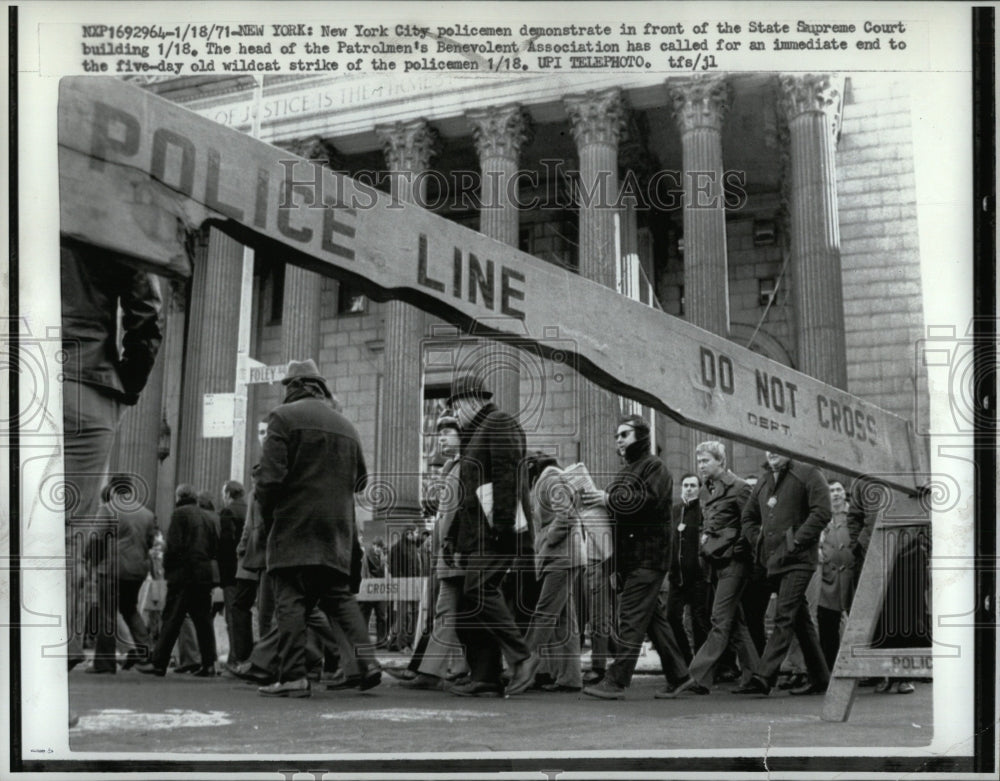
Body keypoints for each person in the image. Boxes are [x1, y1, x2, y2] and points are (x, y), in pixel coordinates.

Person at [60, 240, 163, 682]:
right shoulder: (113, 210)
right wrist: (127, 386)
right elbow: (146, 315)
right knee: (60, 533)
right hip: (85, 379)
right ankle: (46, 668)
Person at [254, 358, 380, 698]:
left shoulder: (283, 418)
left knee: (290, 599)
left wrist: (267, 520)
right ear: (319, 385)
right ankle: (366, 663)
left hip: (294, 525)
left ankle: (293, 676)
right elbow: (362, 481)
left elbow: (269, 480)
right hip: (336, 530)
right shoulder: (347, 426)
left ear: (294, 386)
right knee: (339, 598)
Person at [581, 414, 690, 700]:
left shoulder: (655, 467)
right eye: (617, 435)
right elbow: (620, 519)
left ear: (641, 436)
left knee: (630, 616)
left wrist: (607, 499)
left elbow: (647, 501)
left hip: (649, 557)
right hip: (635, 558)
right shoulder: (628, 470)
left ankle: (616, 680)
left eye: (624, 434)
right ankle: (680, 676)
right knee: (653, 619)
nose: (618, 440)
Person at [444, 374, 536, 698]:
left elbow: (505, 477)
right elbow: (467, 495)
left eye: (455, 409)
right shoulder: (475, 435)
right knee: (471, 602)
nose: (455, 416)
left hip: (496, 533)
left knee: (480, 590)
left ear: (471, 400)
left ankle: (522, 656)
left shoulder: (498, 422)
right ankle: (485, 677)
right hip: (477, 536)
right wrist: (454, 539)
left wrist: (502, 528)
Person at [664, 442, 759, 697]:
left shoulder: (739, 488)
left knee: (718, 620)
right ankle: (756, 677)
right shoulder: (709, 490)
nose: (701, 465)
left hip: (734, 564)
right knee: (736, 625)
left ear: (720, 461)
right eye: (699, 461)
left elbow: (751, 523)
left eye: (705, 461)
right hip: (716, 564)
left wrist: (738, 548)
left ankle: (696, 677)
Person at [735, 451, 832, 696]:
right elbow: (748, 516)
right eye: (766, 447)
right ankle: (821, 678)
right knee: (800, 619)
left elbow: (822, 512)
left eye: (776, 446)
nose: (771, 452)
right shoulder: (764, 479)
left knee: (784, 615)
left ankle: (764, 675)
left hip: (799, 560)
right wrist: (758, 540)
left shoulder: (809, 472)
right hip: (773, 561)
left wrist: (794, 542)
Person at [398, 414, 472, 691]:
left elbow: (457, 513)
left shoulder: (465, 466)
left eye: (447, 432)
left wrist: (447, 543)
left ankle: (436, 671)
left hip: (456, 552)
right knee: (453, 612)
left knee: (452, 610)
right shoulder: (452, 468)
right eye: (439, 433)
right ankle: (447, 670)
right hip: (448, 551)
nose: (440, 437)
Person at [519, 454, 586, 694]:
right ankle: (570, 678)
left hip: (560, 557)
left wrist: (547, 540)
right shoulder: (552, 480)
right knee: (565, 621)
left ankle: (522, 667)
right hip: (564, 556)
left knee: (543, 614)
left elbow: (565, 514)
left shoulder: (550, 479)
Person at [137, 484, 219, 677]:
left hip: (183, 574)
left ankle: (159, 663)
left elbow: (174, 546)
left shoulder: (180, 514)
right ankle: (209, 664)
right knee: (203, 621)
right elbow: (214, 545)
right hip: (203, 573)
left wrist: (168, 569)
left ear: (179, 496)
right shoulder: (206, 516)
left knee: (172, 618)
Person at [90, 474, 158, 672]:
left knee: (107, 614)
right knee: (130, 609)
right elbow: (151, 542)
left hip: (112, 569)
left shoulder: (108, 509)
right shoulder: (146, 513)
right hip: (137, 571)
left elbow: (96, 539)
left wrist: (89, 562)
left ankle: (104, 663)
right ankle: (146, 655)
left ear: (112, 488)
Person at [665, 473, 711, 664]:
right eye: (685, 485)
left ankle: (699, 666)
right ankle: (686, 658)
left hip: (698, 576)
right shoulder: (675, 511)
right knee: (671, 617)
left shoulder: (703, 511)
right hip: (677, 577)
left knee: (699, 622)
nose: (689, 488)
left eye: (693, 485)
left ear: (699, 488)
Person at [218, 480, 249, 665]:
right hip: (249, 569)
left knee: (233, 615)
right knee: (244, 614)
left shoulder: (228, 512)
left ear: (228, 494)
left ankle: (235, 657)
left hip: (231, 571)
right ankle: (245, 656)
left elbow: (225, 545)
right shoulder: (248, 509)